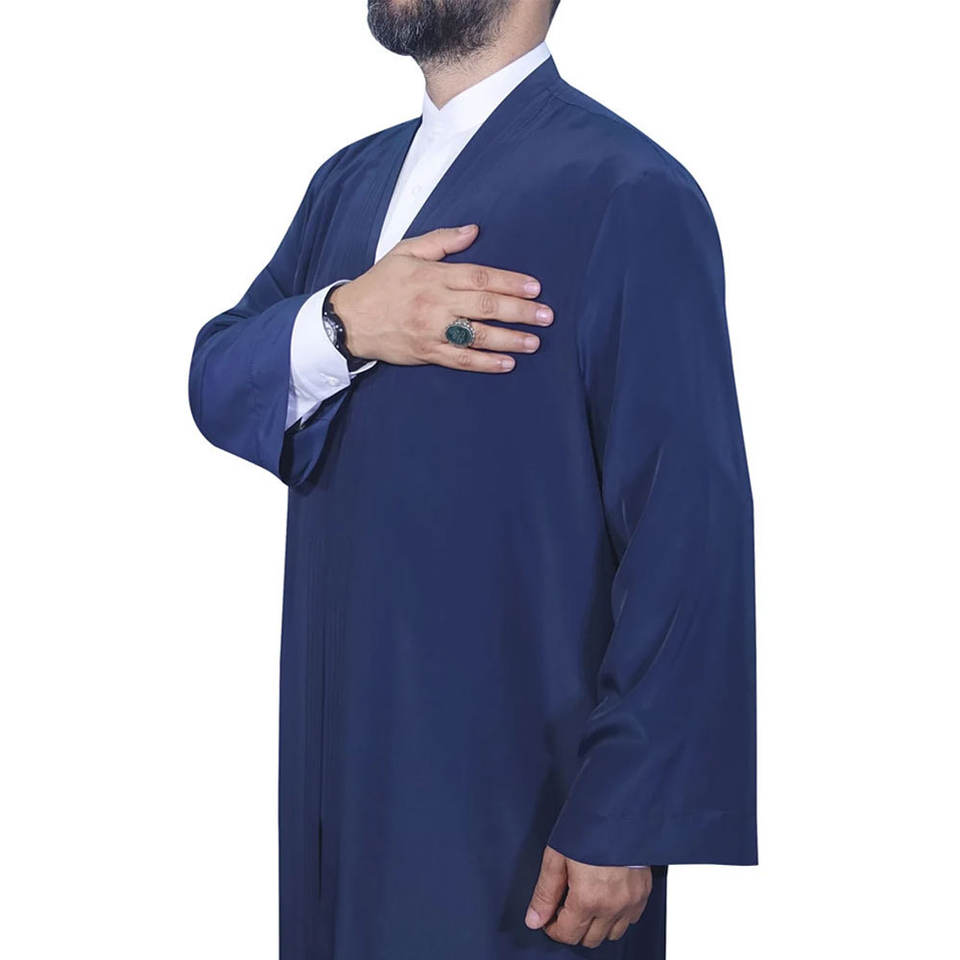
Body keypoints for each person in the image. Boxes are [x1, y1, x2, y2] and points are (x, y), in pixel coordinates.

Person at [188, 1, 756, 956]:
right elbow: (217, 378)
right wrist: (344, 321)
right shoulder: (347, 184)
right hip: (341, 765)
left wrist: (628, 811)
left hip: (519, 797)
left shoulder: (628, 191)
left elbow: (688, 527)